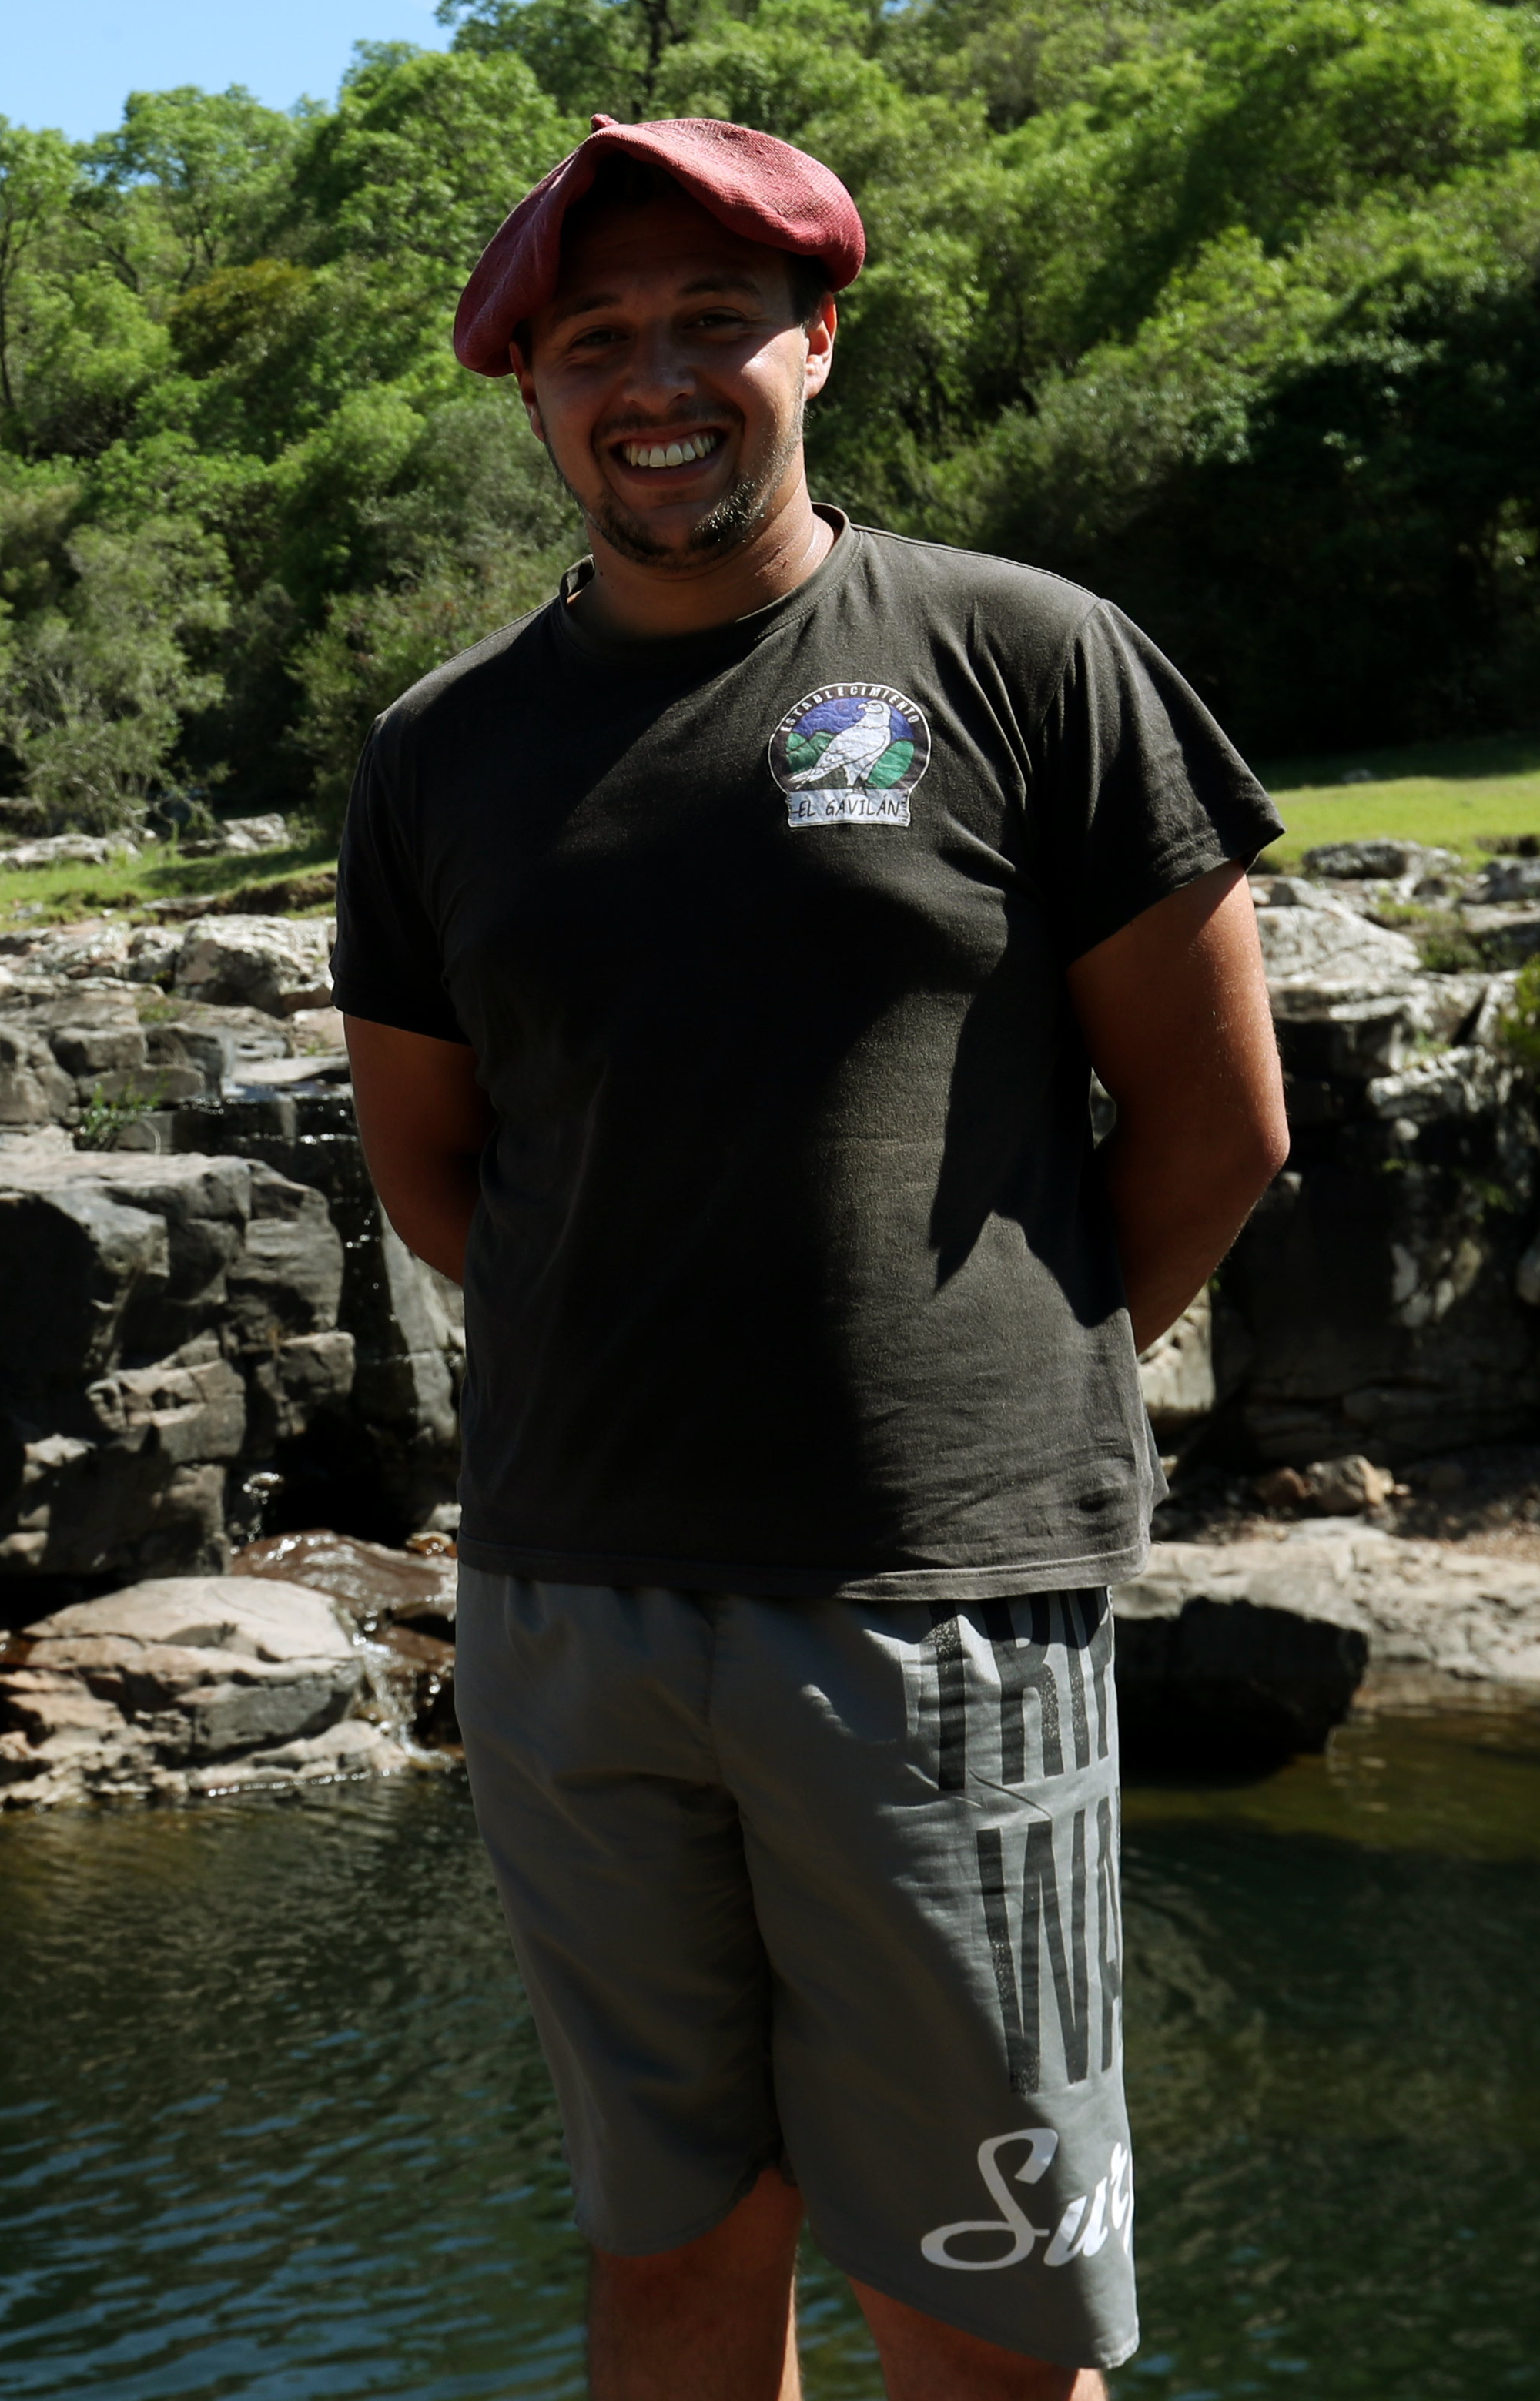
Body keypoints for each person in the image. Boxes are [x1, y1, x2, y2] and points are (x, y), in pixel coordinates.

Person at [330, 116, 1291, 2401]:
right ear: (535, 395)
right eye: (594, 344)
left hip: (930, 1607)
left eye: (708, 323)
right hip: (573, 1614)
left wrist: (987, 1394)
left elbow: (1218, 1125)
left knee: (978, 2294)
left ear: (817, 344)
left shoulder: (1028, 658)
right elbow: (434, 1172)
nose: (653, 381)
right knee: (670, 2259)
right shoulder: (443, 755)